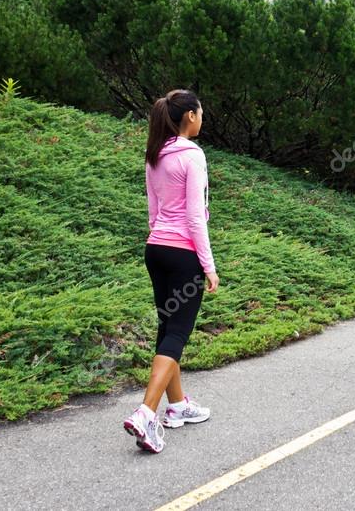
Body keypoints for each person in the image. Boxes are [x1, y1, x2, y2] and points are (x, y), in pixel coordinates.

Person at [123, 89, 220, 453]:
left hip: (156, 250)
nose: (202, 117)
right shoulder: (192, 155)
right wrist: (208, 266)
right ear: (190, 116)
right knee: (178, 333)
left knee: (167, 330)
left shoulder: (154, 154)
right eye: (201, 112)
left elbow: (152, 209)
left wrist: (159, 238)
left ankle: (177, 407)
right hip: (182, 254)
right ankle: (147, 413)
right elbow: (196, 216)